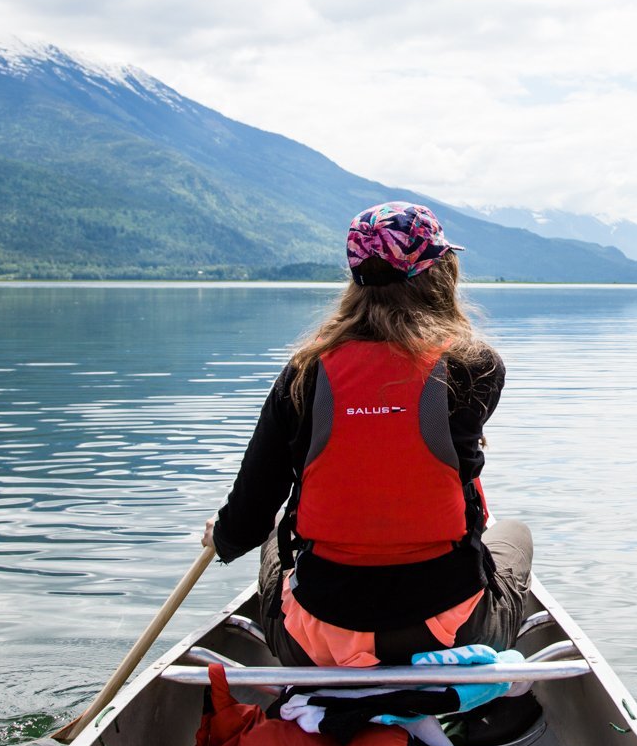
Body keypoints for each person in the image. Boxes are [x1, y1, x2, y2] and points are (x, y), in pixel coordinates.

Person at [202, 202, 533, 669]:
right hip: (445, 634)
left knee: (279, 534)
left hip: (318, 644)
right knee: (514, 535)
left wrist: (226, 535)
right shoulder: (476, 368)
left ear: (357, 276)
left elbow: (251, 514)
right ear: (442, 273)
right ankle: (473, 680)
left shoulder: (303, 374)